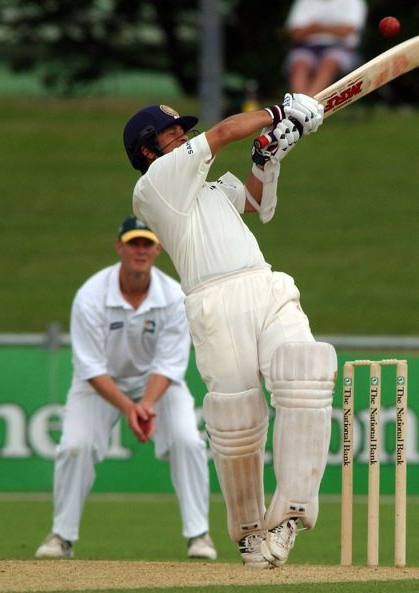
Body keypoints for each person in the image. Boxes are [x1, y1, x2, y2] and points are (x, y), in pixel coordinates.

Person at [121, 97, 336, 569]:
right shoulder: (155, 186)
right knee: (237, 420)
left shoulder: (209, 188)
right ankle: (249, 532)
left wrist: (268, 158)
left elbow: (258, 204)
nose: (181, 134)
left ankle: (289, 514)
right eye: (171, 131)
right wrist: (279, 113)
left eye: (181, 128)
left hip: (264, 283)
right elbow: (221, 134)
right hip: (214, 304)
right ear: (148, 151)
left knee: (307, 371)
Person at [35, 216, 216, 560]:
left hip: (158, 386)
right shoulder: (90, 296)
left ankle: (198, 535)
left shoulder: (174, 296)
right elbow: (89, 366)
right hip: (101, 385)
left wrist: (145, 403)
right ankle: (62, 536)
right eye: (133, 243)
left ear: (158, 249)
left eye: (147, 244)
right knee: (75, 446)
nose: (140, 250)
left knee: (188, 441)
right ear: (119, 247)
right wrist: (129, 407)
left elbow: (170, 363)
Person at [285, 0, 368, 96]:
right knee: (300, 64)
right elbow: (295, 34)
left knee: (329, 62)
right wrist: (332, 29)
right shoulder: (304, 2)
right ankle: (298, 102)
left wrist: (314, 28)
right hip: (306, 48)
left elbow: (348, 31)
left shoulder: (354, 2)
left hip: (340, 49)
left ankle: (309, 101)